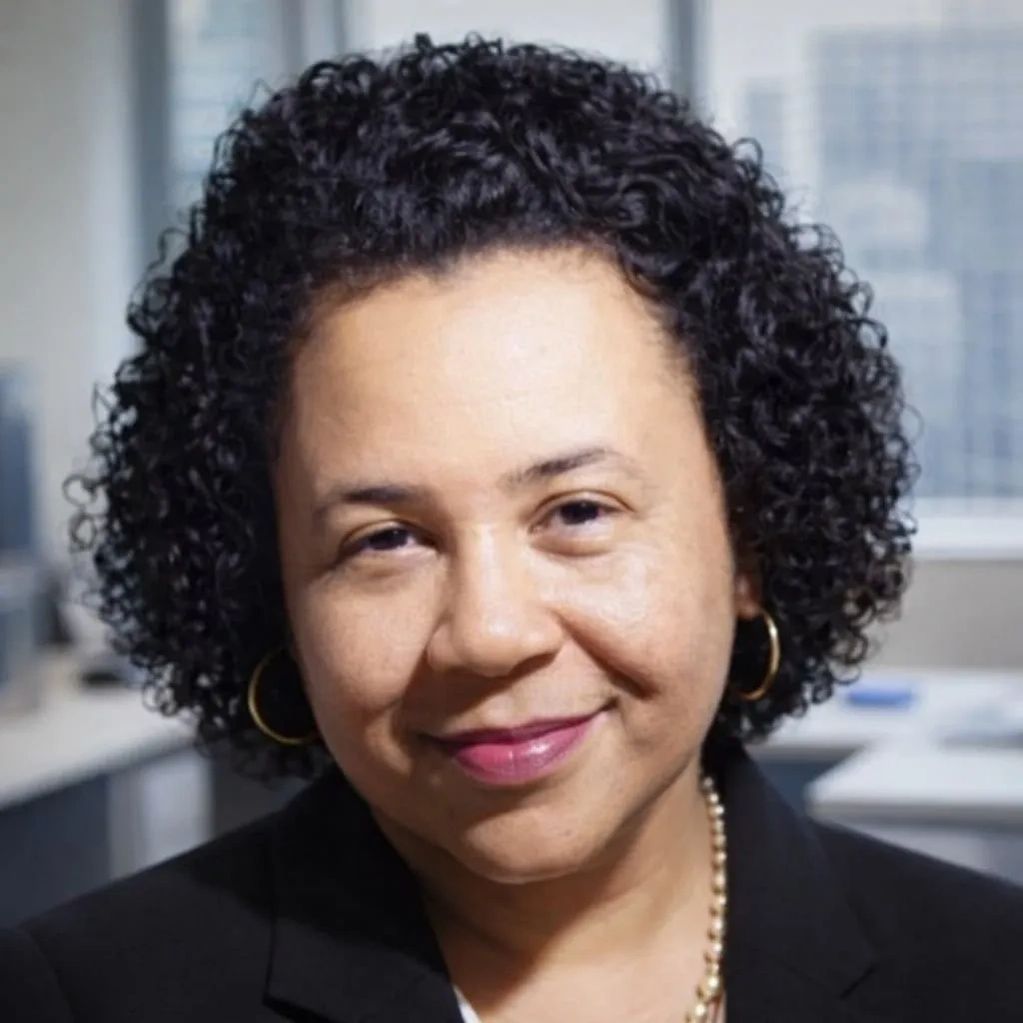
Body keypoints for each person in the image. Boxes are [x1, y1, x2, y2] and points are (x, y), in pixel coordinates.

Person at [2, 31, 1021, 1023]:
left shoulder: (991, 975)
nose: (489, 634)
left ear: (750, 536)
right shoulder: (74, 999)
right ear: (275, 590)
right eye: (385, 539)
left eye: (577, 512)